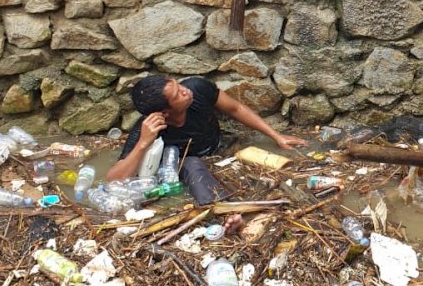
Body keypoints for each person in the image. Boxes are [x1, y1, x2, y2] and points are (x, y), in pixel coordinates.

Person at [106, 75, 307, 197]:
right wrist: (143, 143)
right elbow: (113, 179)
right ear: (165, 112)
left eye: (179, 86)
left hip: (221, 149)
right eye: (177, 95)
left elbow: (235, 108)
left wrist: (276, 136)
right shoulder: (149, 128)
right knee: (192, 165)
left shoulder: (197, 88)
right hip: (189, 165)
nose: (185, 91)